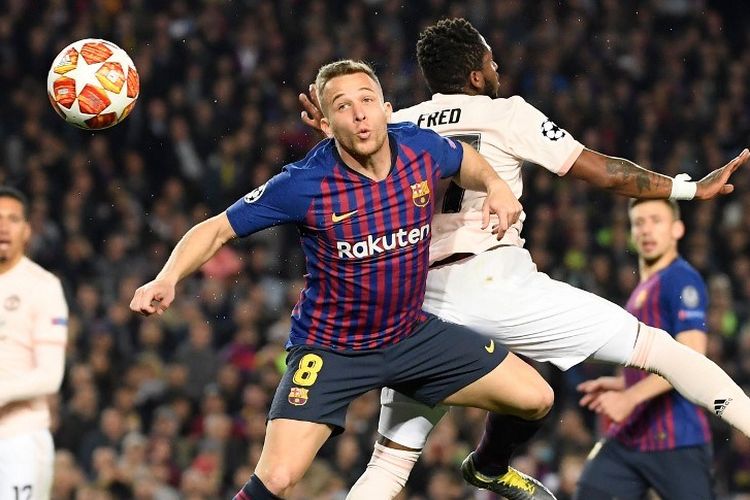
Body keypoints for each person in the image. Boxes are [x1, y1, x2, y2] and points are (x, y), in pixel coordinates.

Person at [297, 18, 750, 500]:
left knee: (388, 466)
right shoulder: (507, 114)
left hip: (419, 304)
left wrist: (330, 132)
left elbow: (345, 177)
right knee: (660, 351)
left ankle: (490, 466)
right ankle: (491, 465)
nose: (498, 67)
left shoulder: (396, 123)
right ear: (476, 75)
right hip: (494, 283)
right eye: (491, 59)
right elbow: (605, 173)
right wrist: (688, 187)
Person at [130, 59, 557, 500]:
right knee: (277, 478)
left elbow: (464, 157)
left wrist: (496, 184)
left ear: (387, 109)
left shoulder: (419, 148)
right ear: (327, 124)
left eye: (367, 100)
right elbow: (218, 227)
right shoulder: (305, 183)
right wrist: (168, 277)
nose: (359, 113)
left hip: (411, 335)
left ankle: (488, 468)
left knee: (536, 398)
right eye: (343, 105)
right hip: (332, 349)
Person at [574, 199, 714, 499]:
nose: (646, 230)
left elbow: (692, 358)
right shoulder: (645, 287)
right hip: (632, 437)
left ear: (677, 229)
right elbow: (659, 359)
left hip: (676, 439)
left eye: (656, 220)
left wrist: (630, 397)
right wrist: (624, 382)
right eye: (639, 222)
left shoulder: (681, 279)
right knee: (590, 491)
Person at [0, 186, 69, 500]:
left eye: (13, 219)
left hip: (18, 440)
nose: (3, 226)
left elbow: (49, 376)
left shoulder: (42, 287)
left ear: (27, 231)